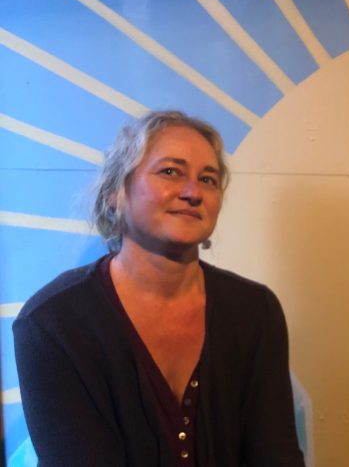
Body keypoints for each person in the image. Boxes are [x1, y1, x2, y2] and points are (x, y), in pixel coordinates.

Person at [13, 111, 306, 466]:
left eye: (209, 179)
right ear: (115, 194)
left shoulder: (255, 311)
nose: (193, 192)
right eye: (171, 171)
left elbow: (276, 455)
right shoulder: (51, 323)